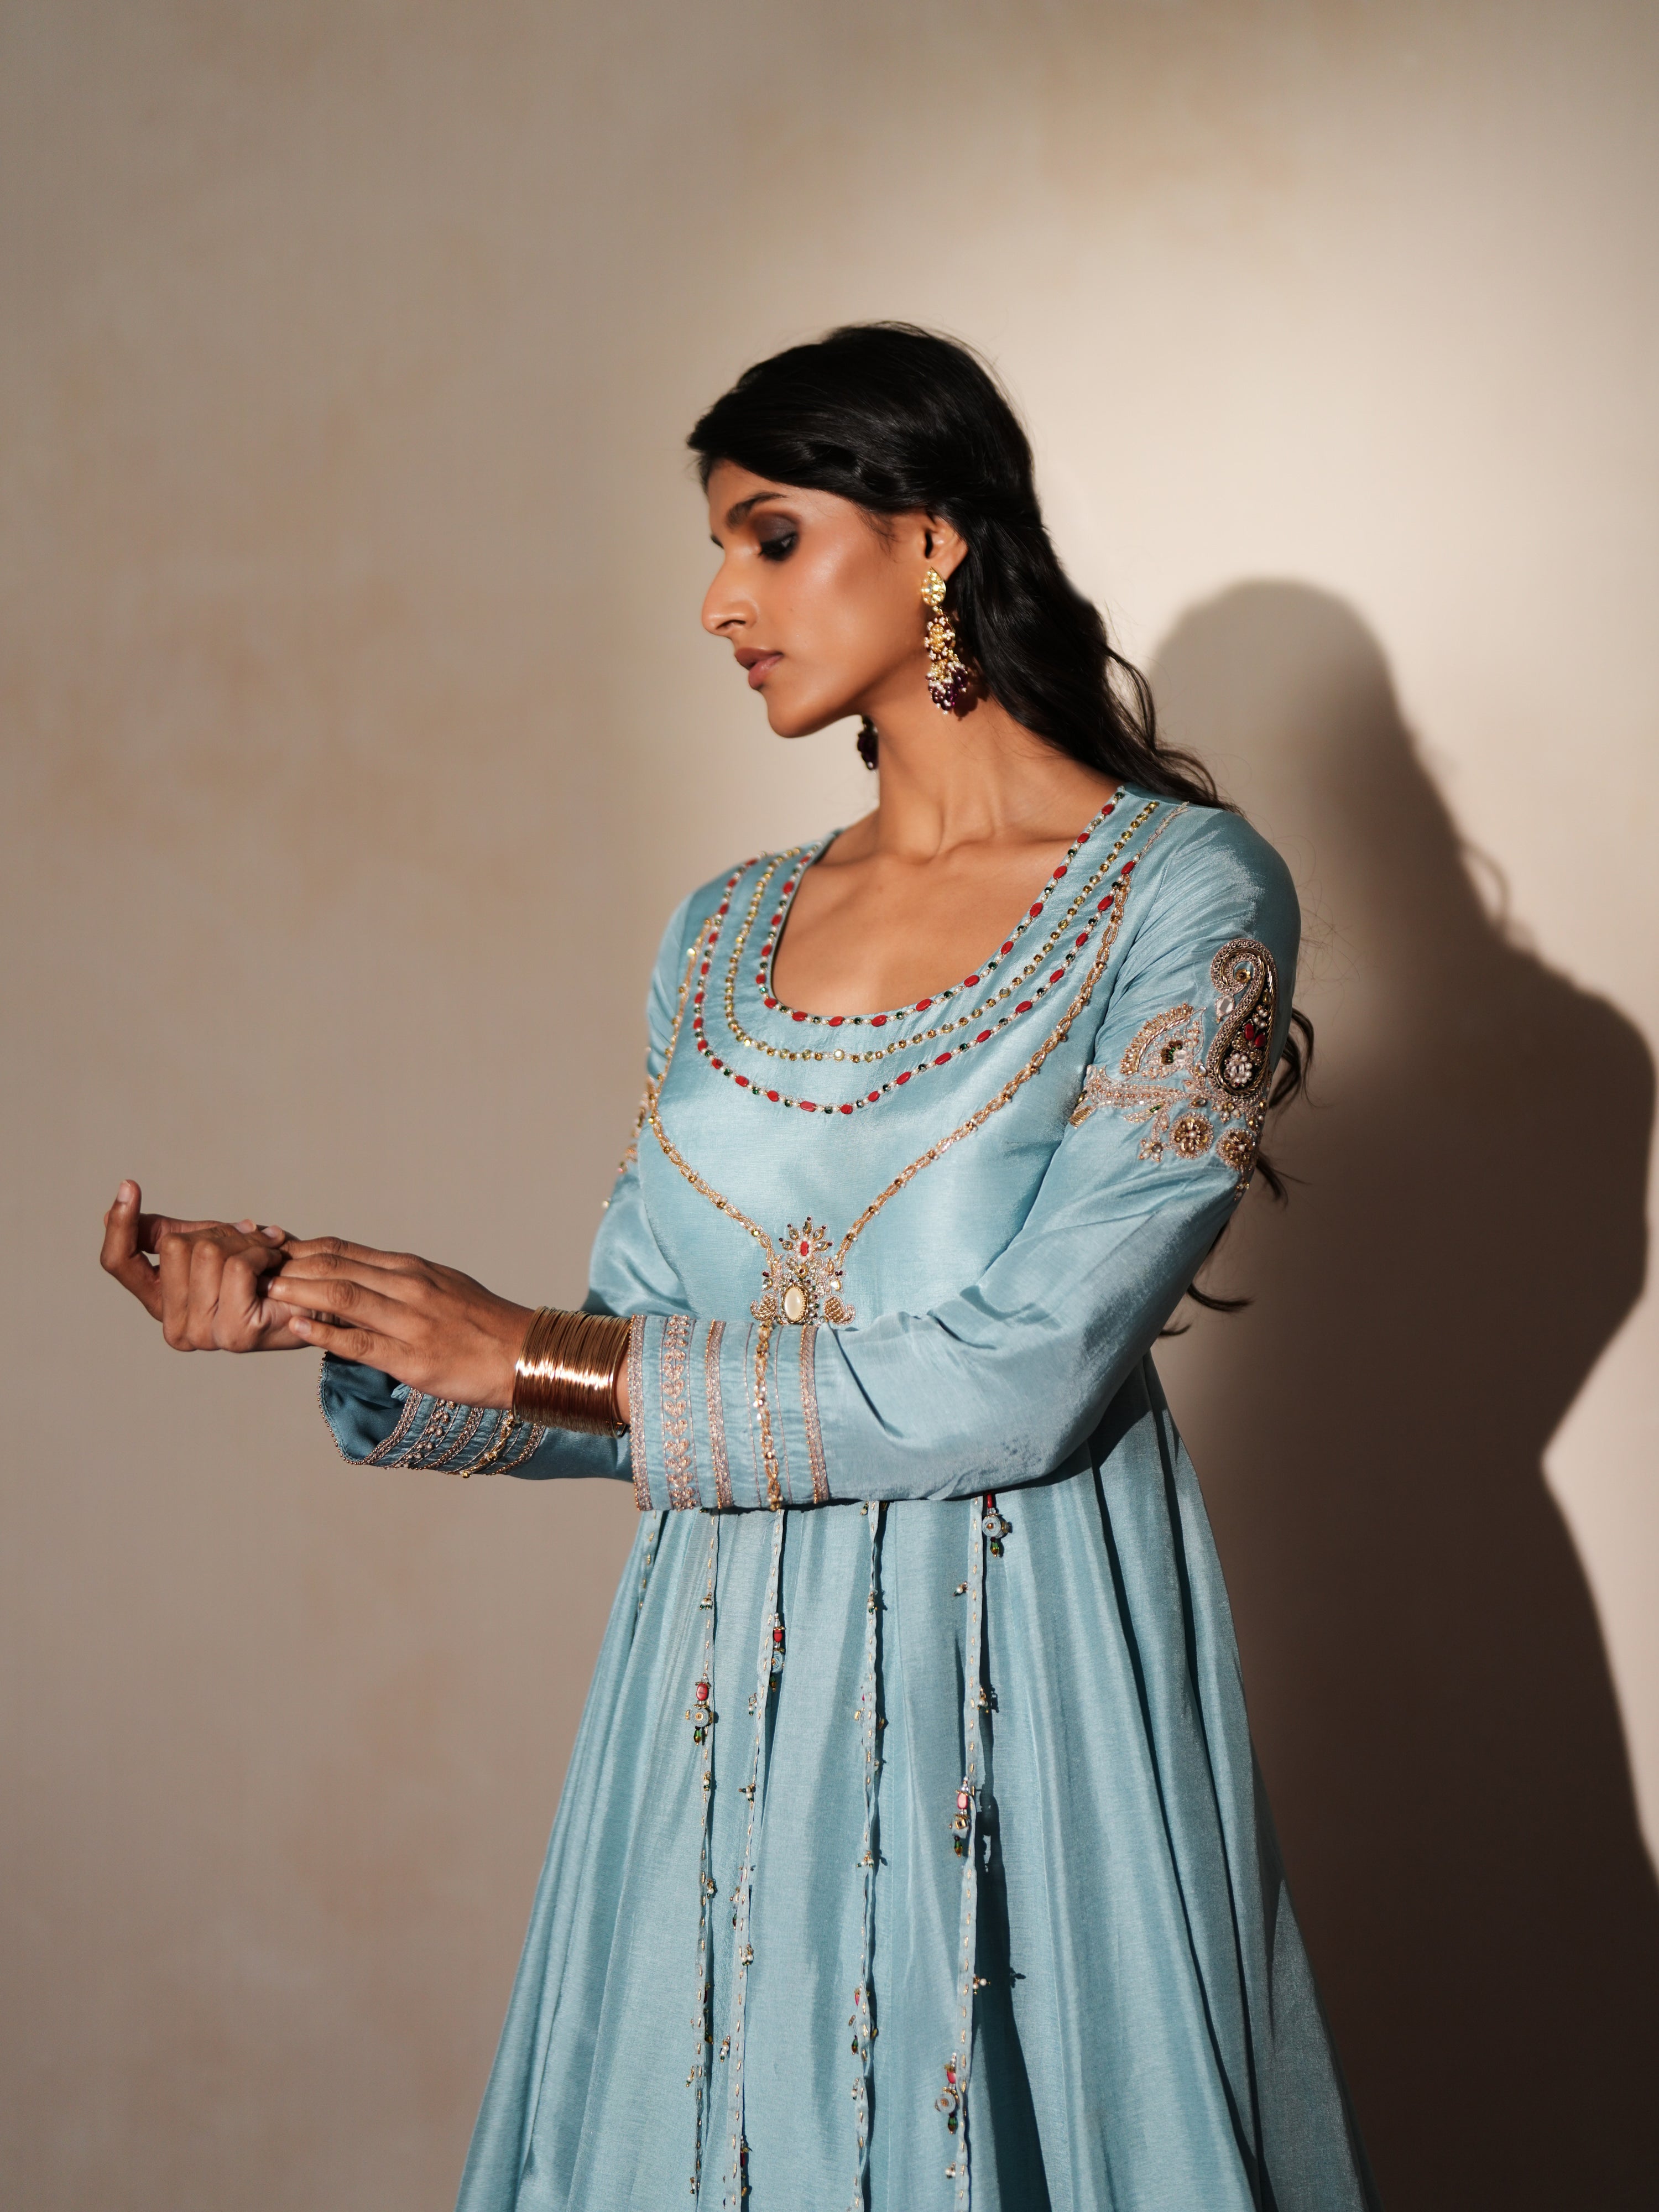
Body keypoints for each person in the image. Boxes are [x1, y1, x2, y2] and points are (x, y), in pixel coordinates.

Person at [101, 325, 1379, 2212]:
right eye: (720, 546)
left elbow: (1026, 1372)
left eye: (769, 537)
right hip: (715, 1705)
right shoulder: (725, 930)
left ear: (933, 539)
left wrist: (537, 1350)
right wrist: (346, 1312)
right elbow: (625, 1375)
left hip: (1020, 1669)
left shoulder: (1186, 894)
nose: (720, 600)